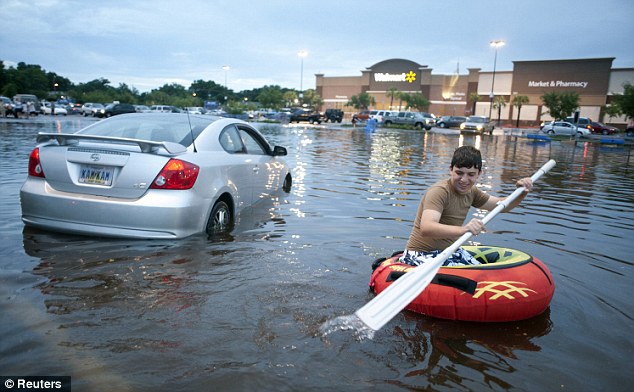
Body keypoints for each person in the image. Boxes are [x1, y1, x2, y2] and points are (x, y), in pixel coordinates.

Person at [400, 146, 533, 267]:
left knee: (484, 274)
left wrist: (521, 192)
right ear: (451, 170)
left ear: (479, 174)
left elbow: (502, 205)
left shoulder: (472, 191)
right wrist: (464, 229)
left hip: (449, 252)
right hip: (420, 254)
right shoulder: (439, 191)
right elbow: (427, 228)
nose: (464, 180)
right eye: (459, 173)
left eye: (470, 174)